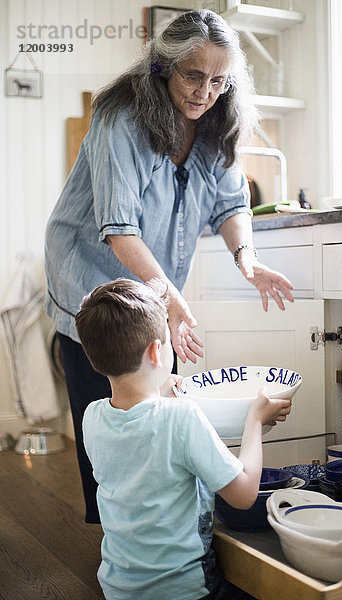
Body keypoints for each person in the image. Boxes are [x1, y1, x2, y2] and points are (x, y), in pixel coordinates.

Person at [44, 9, 294, 524]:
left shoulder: (218, 124)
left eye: (219, 81)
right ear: (162, 69)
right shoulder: (120, 118)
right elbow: (118, 229)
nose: (206, 92)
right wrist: (174, 303)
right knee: (115, 414)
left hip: (153, 286)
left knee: (165, 408)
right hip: (91, 275)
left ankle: (172, 530)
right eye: (193, 76)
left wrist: (248, 260)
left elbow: (232, 205)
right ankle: (118, 535)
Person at [76, 278, 292, 600]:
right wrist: (255, 421)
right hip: (184, 589)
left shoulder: (92, 416)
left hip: (120, 588)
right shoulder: (181, 417)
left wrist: (160, 388)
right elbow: (245, 493)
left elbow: (141, 428)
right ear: (156, 351)